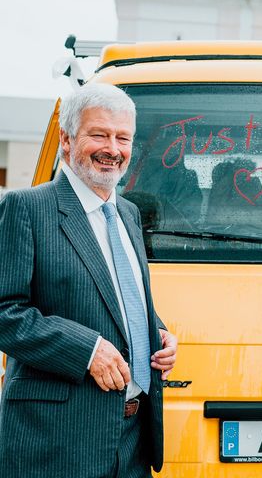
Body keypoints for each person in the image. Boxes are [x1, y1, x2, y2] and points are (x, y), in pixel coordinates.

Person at [0, 83, 178, 478]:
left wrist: (157, 332)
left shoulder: (129, 213)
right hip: (57, 441)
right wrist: (85, 350)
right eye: (99, 134)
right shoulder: (25, 208)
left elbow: (117, 297)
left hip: (132, 438)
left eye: (123, 138)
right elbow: (4, 312)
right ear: (66, 139)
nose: (112, 149)